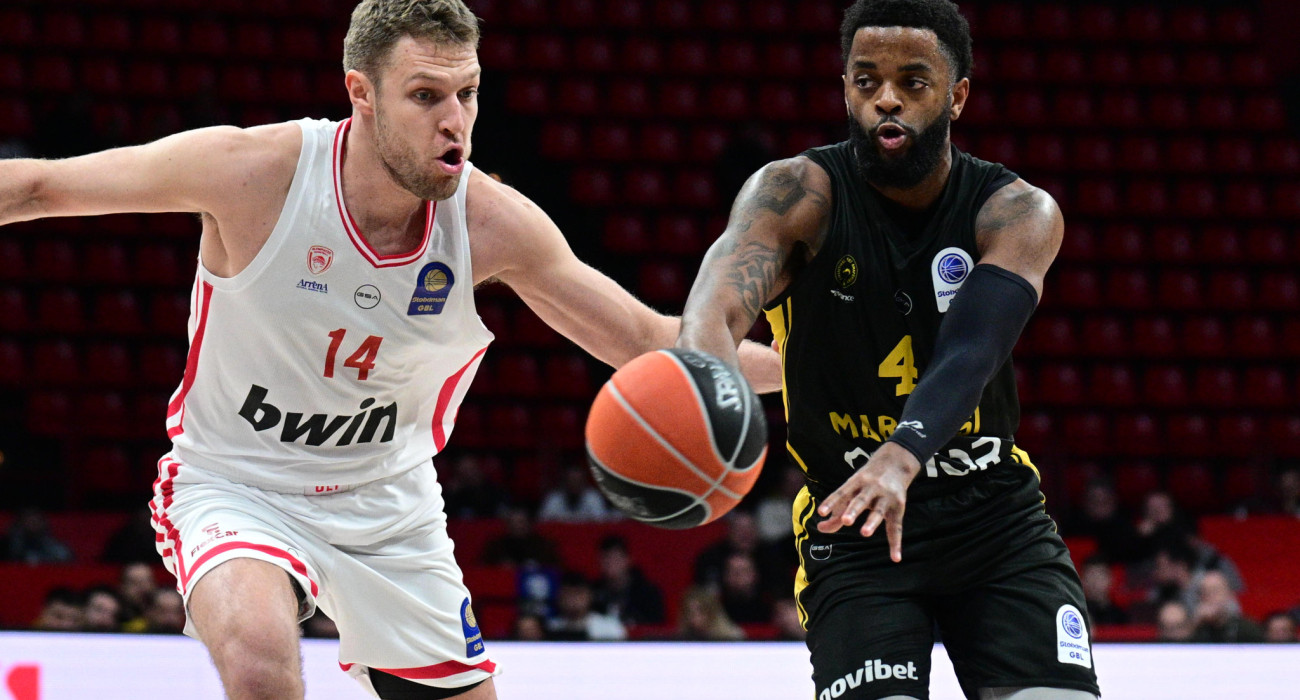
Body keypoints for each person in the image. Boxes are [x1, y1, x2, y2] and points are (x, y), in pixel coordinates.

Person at [0, 1, 780, 698]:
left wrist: (812, 375)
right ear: (361, 94)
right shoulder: (255, 173)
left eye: (467, 94)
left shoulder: (493, 224)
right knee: (261, 664)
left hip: (388, 502)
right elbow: (42, 186)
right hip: (237, 482)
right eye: (426, 96)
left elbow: (648, 341)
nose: (455, 121)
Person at [674, 1, 1101, 698]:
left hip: (993, 520)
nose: (887, 99)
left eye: (913, 82)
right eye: (866, 80)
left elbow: (971, 349)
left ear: (957, 96)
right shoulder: (794, 193)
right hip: (852, 526)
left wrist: (901, 456)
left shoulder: (1018, 211)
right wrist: (707, 390)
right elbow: (713, 310)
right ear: (845, 88)